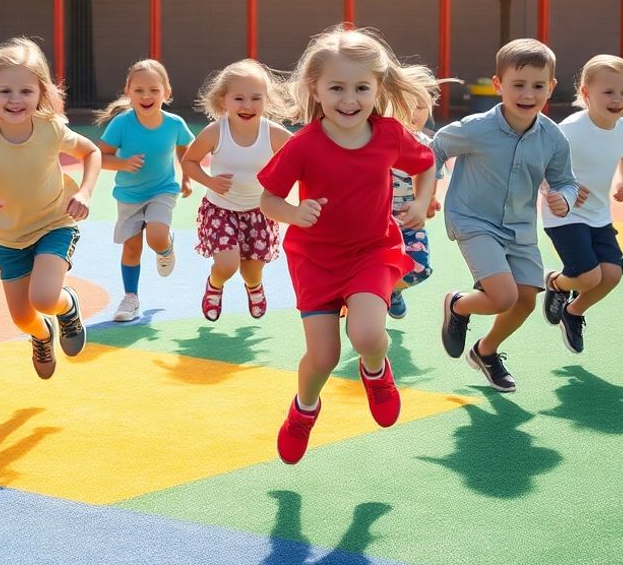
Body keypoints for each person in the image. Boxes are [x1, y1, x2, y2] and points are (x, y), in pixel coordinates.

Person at [259, 26, 436, 464]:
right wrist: (293, 214)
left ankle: (376, 372)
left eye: (361, 88)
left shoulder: (390, 135)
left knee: (368, 334)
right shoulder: (303, 146)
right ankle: (304, 410)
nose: (349, 99)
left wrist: (423, 201)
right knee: (322, 358)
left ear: (378, 88)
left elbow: (426, 164)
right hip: (315, 260)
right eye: (336, 88)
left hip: (372, 251)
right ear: (315, 90)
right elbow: (268, 199)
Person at [433, 39, 579, 393]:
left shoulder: (553, 138)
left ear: (551, 87)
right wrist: (427, 191)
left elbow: (565, 181)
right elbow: (435, 147)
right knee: (502, 296)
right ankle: (458, 305)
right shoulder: (476, 128)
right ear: (498, 85)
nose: (528, 94)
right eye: (518, 84)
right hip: (473, 222)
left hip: (520, 229)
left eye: (538, 86)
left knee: (526, 300)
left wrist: (564, 198)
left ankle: (486, 352)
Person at [0, 38, 100, 379]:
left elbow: (91, 153)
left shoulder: (50, 129)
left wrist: (87, 193)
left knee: (46, 298)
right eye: (5, 91)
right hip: (9, 236)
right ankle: (41, 334)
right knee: (22, 317)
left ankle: (68, 306)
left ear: (40, 94)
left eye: (25, 91)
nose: (15, 99)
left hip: (54, 222)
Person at [539, 55, 623, 354]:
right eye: (609, 92)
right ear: (586, 93)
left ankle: (573, 313)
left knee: (611, 275)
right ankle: (557, 283)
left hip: (598, 214)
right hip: (564, 214)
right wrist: (557, 189)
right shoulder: (570, 130)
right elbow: (541, 164)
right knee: (588, 276)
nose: (618, 99)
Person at [180, 59, 291, 321]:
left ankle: (254, 287)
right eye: (239, 98)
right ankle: (214, 285)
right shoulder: (216, 131)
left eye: (256, 98)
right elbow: (189, 161)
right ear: (223, 101)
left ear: (267, 100)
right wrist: (210, 182)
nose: (247, 105)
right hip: (221, 209)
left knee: (252, 271)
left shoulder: (274, 134)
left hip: (259, 211)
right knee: (228, 264)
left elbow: (304, 158)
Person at [94, 59, 194, 322]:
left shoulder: (174, 124)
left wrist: (186, 177)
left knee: (157, 236)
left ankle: (165, 247)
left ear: (166, 92)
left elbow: (185, 148)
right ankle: (131, 298)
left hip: (163, 189)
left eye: (154, 90)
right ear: (128, 92)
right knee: (131, 247)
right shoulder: (121, 124)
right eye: (139, 90)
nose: (146, 96)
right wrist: (123, 163)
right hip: (129, 195)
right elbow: (100, 157)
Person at [387, 83, 455, 320]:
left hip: (409, 221)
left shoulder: (427, 146)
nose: (414, 113)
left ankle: (392, 291)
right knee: (371, 267)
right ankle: (366, 299)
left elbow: (431, 178)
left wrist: (429, 200)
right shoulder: (377, 142)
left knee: (420, 267)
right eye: (406, 106)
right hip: (375, 221)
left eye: (421, 107)